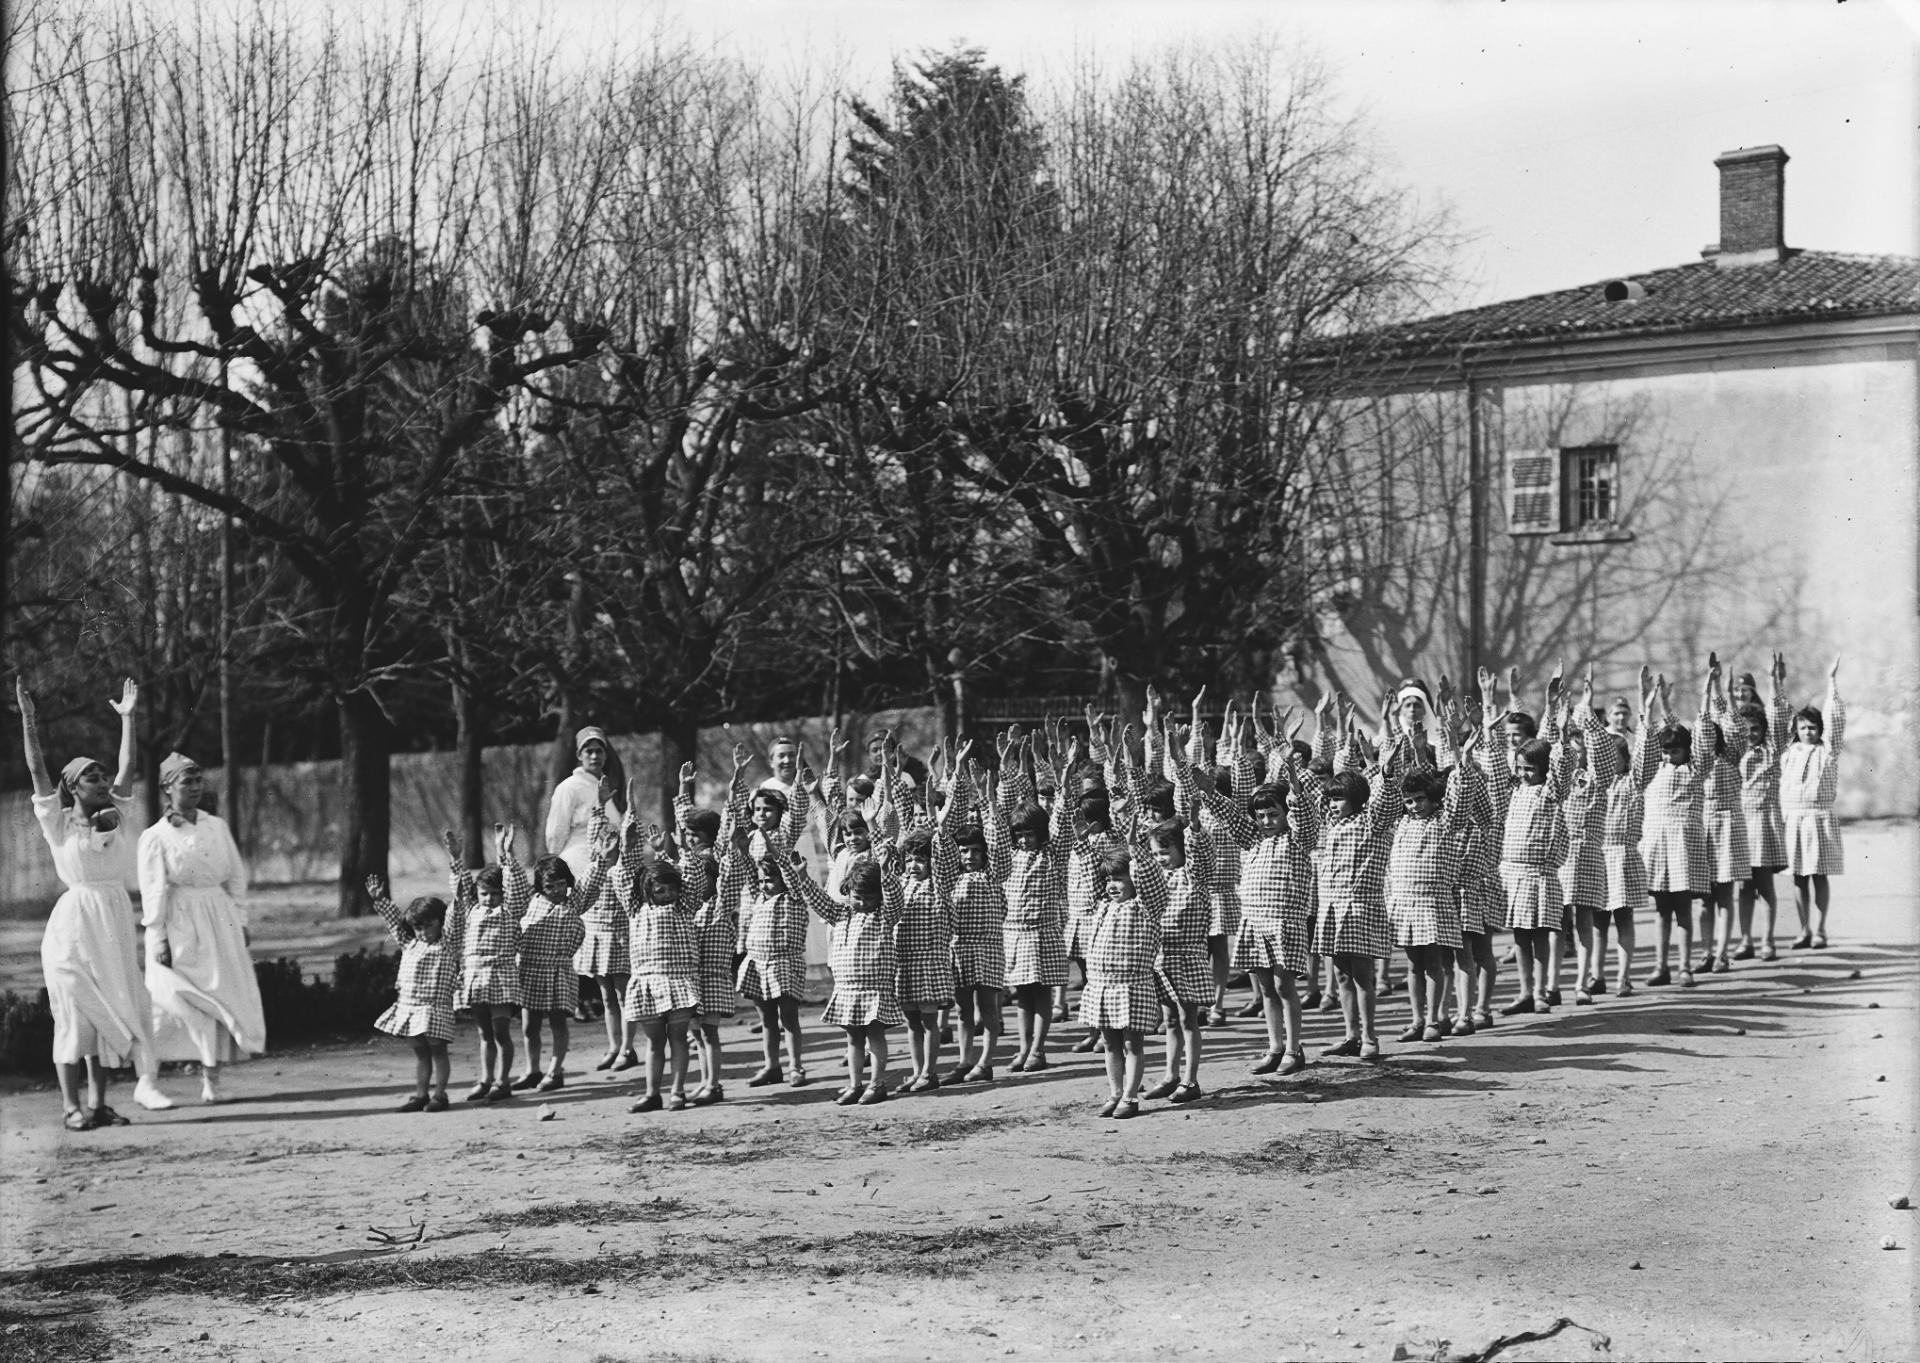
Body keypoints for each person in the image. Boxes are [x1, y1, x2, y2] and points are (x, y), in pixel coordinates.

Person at [19, 678, 169, 1128]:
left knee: (110, 1005)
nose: (103, 781)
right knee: (73, 1009)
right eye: (92, 776)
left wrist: (127, 719)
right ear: (72, 787)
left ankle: (100, 1105)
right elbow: (36, 771)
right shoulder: (58, 823)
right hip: (73, 925)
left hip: (114, 919)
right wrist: (28, 719)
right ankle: (70, 1107)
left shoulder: (116, 814)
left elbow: (129, 766)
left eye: (103, 775)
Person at [1187, 707, 1320, 1076]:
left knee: (1284, 985)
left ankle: (1295, 1049)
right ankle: (1275, 1046)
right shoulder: (1253, 840)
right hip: (1255, 921)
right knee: (1264, 989)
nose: (1265, 820)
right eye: (1260, 815)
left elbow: (1304, 814)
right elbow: (1232, 816)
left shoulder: (1297, 839)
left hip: (1283, 922)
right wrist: (1210, 793)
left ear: (1284, 813)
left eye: (1272, 813)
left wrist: (1293, 782)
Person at [139, 751, 265, 1104]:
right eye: (185, 781)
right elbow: (153, 890)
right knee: (173, 998)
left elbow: (236, 876)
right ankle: (148, 1080)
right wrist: (159, 936)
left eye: (197, 780)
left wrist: (240, 920)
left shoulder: (216, 826)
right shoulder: (155, 836)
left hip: (218, 919)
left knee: (218, 996)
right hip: (179, 922)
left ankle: (212, 1081)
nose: (194, 787)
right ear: (168, 787)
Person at [545, 726, 631, 1071]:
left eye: (600, 750)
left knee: (618, 970)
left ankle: (624, 1045)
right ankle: (592, 1016)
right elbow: (556, 832)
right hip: (582, 862)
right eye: (588, 751)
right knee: (596, 963)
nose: (595, 756)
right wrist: (559, 867)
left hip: (612, 868)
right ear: (579, 755)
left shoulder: (607, 788)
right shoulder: (569, 787)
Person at [792, 854, 903, 1105]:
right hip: (847, 989)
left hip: (874, 989)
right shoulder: (840, 913)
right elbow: (818, 901)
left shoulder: (884, 915)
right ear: (848, 892)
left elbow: (895, 898)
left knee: (875, 1036)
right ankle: (855, 1084)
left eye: (870, 898)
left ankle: (877, 1083)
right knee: (853, 1038)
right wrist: (802, 876)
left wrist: (886, 874)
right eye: (857, 897)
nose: (862, 903)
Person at [614, 814, 702, 1113]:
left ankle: (677, 1091)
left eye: (671, 889)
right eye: (659, 891)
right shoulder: (635, 909)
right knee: (654, 1043)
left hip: (677, 981)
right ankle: (652, 1093)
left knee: (678, 1039)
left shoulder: (684, 908)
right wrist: (628, 843)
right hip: (646, 983)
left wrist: (675, 852)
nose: (667, 896)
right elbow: (622, 875)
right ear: (646, 891)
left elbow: (693, 878)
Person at [1078, 832, 1169, 1119]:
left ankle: (1130, 1097)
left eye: (1119, 879)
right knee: (1109, 1042)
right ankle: (1115, 1092)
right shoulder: (1102, 906)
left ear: (1134, 879)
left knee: (1132, 1043)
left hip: (1132, 986)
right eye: (1108, 880)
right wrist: (1084, 843)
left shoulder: (1146, 907)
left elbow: (1152, 881)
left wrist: (1134, 849)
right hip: (1102, 986)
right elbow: (1089, 872)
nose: (1112, 886)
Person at [501, 822, 593, 1092]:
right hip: (530, 971)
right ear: (540, 886)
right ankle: (532, 1069)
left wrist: (600, 856)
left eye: (562, 884)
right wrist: (507, 856)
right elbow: (513, 886)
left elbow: (592, 878)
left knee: (557, 1022)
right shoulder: (529, 903)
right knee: (529, 1024)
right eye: (551, 885)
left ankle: (555, 1069)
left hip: (559, 972)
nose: (557, 890)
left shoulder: (573, 904)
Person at [1638, 668, 1713, 988]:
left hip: (1683, 844)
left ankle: (1684, 966)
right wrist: (1650, 702)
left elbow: (1698, 743)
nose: (1670, 756)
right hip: (1656, 844)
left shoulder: (1694, 770)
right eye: (1666, 751)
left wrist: (1669, 708)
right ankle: (1661, 966)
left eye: (1675, 750)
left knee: (1683, 908)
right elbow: (1648, 742)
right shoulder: (1653, 771)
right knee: (1661, 911)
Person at [366, 872, 465, 1112]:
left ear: (441, 922)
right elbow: (395, 922)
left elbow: (456, 915)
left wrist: (459, 890)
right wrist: (380, 900)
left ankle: (440, 1095)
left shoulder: (448, 944)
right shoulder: (410, 943)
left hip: (433, 1008)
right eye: (418, 927)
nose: (422, 932)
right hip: (409, 1007)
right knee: (421, 1054)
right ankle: (421, 1094)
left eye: (428, 925)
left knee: (438, 1051)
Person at [1780, 655, 1845, 949]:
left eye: (1813, 727)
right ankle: (1803, 929)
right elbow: (1776, 720)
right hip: (1793, 819)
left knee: (1818, 875)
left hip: (1818, 818)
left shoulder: (1827, 752)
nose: (1808, 732)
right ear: (1797, 729)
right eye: (1803, 727)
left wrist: (1831, 681)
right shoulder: (1788, 753)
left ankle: (1820, 929)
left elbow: (1835, 721)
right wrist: (1777, 682)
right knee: (1797, 878)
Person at [1735, 653, 1792, 960]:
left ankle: (1768, 940)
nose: (1750, 734)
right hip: (1741, 822)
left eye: (1755, 729)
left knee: (1764, 885)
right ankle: (1745, 940)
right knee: (1743, 887)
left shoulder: (1771, 750)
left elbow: (1779, 717)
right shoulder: (1735, 754)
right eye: (1745, 730)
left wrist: (1774, 680)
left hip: (1765, 821)